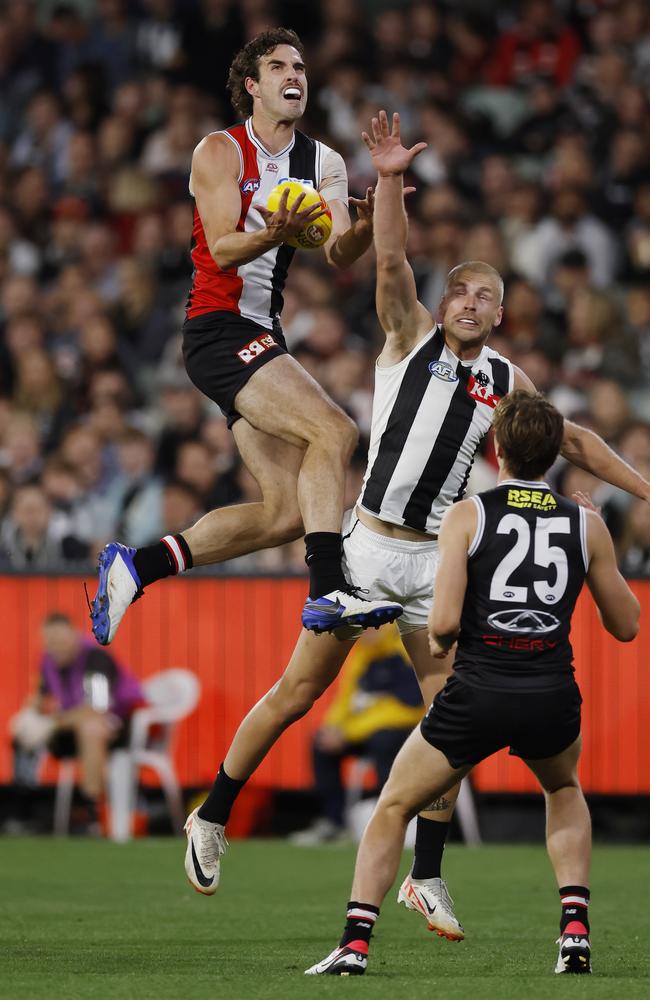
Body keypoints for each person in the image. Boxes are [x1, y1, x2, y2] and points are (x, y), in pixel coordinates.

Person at [182, 112, 650, 938]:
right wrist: (390, 179)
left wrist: (643, 488)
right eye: (462, 293)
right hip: (367, 547)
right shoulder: (407, 336)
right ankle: (212, 815)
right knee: (298, 691)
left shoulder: (508, 380)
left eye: (487, 298)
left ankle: (426, 877)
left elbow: (573, 440)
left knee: (452, 720)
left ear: (501, 317)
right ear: (445, 304)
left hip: (437, 558)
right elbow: (388, 257)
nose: (471, 304)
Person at [305, 391, 640, 977]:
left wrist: (436, 643)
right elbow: (627, 625)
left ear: (496, 446)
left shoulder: (469, 512)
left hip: (480, 690)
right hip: (550, 692)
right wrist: (592, 541)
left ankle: (355, 945)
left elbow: (442, 623)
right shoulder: (585, 524)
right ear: (556, 454)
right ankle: (575, 933)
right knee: (563, 791)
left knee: (394, 805)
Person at [88, 27, 401, 644]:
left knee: (286, 511)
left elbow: (341, 253)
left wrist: (370, 218)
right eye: (280, 66)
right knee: (334, 430)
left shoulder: (326, 163)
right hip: (216, 326)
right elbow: (225, 247)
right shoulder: (219, 151)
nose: (296, 75)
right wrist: (277, 231)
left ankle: (139, 565)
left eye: (302, 67)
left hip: (260, 331)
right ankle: (328, 590)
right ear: (252, 86)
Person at [10, 612, 145, 831]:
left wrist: (52, 723)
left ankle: (92, 810)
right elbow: (41, 695)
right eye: (51, 642)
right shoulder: (48, 660)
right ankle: (23, 811)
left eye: (61, 641)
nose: (57, 648)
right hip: (72, 724)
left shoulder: (96, 658)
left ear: (74, 636)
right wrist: (29, 714)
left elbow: (96, 709)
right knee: (22, 730)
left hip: (120, 726)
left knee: (90, 728)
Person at [291, 624, 423, 845]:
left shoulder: (405, 651)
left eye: (373, 626)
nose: (366, 631)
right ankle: (334, 823)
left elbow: (408, 708)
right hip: (365, 732)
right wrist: (333, 728)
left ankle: (391, 821)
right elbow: (346, 700)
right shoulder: (361, 654)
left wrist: (349, 733)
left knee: (384, 740)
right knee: (320, 744)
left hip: (406, 732)